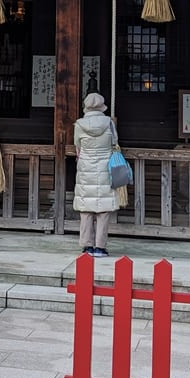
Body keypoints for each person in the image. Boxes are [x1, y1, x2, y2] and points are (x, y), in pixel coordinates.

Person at [73, 92, 118, 257]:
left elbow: (77, 144)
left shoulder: (79, 124)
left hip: (85, 167)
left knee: (86, 208)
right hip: (105, 166)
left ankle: (87, 246)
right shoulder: (109, 123)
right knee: (103, 209)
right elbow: (114, 142)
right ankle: (100, 247)